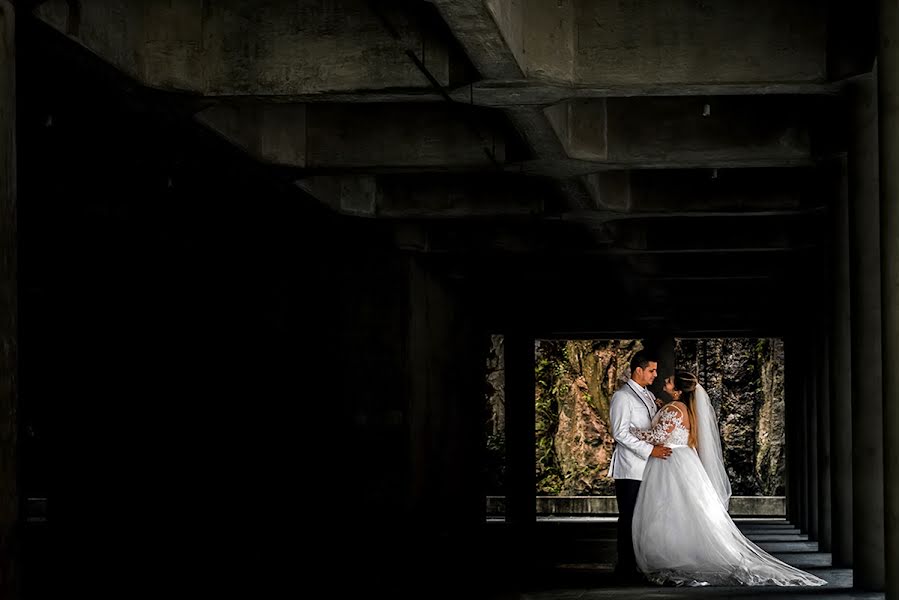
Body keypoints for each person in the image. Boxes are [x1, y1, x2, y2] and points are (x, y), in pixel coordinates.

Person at [631, 371, 826, 586]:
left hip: (669, 461)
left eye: (669, 381)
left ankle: (671, 556)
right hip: (685, 460)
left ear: (677, 390)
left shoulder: (674, 408)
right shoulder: (688, 409)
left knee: (667, 509)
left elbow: (659, 437)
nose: (664, 382)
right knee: (685, 510)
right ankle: (682, 553)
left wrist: (633, 432)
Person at [607, 351, 672, 582]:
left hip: (649, 468)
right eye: (652, 370)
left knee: (645, 518)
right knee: (629, 518)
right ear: (638, 370)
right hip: (630, 468)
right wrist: (650, 450)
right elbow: (620, 432)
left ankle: (640, 563)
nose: (655, 375)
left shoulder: (647, 395)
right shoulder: (622, 397)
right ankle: (625, 568)